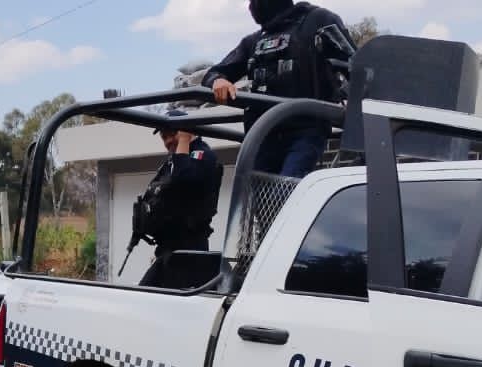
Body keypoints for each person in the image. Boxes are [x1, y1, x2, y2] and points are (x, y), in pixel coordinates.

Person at [202, 0, 355, 178]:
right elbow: (214, 73)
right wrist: (218, 81)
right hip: (264, 133)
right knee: (255, 197)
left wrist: (350, 97)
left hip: (305, 131)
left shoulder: (318, 20)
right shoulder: (253, 41)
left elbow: (355, 66)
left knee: (286, 188)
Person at [132, 111, 223, 288]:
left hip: (189, 251)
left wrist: (183, 140)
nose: (167, 141)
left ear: (185, 131)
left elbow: (183, 181)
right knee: (143, 297)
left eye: (171, 134)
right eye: (163, 136)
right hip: (168, 250)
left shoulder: (202, 154)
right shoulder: (172, 161)